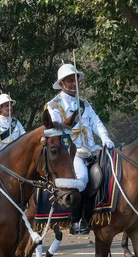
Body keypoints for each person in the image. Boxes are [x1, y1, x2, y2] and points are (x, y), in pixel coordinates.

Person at [46, 63, 114, 235]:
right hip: (70, 151)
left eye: (75, 80)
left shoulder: (84, 103)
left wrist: (105, 139)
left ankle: (106, 211)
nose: (74, 84)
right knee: (82, 179)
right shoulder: (54, 105)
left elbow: (96, 123)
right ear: (62, 83)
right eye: (70, 81)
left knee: (113, 166)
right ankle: (76, 220)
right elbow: (55, 131)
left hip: (91, 146)